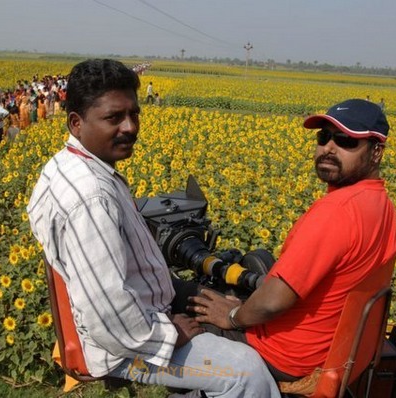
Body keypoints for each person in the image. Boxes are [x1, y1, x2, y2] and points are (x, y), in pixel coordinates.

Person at [27, 59, 280, 398]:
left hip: (138, 315)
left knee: (227, 301)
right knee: (246, 372)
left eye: (134, 114)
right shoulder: (90, 199)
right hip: (122, 347)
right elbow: (110, 316)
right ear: (76, 123)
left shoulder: (72, 165)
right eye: (113, 117)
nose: (130, 127)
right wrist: (170, 332)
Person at [190, 98, 396, 382]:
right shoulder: (380, 203)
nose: (328, 148)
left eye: (346, 141)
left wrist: (233, 317)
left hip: (284, 354)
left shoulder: (337, 211)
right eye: (324, 137)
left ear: (376, 152)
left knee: (180, 296)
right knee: (248, 272)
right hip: (331, 348)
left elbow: (272, 303)